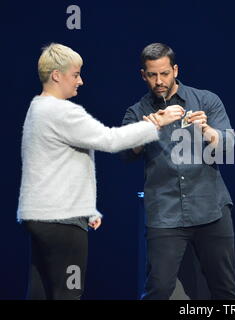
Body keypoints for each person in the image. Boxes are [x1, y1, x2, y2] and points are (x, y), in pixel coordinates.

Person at [17, 43, 183, 300]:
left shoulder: (37, 108)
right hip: (62, 221)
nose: (80, 81)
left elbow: (54, 168)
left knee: (40, 292)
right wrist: (157, 122)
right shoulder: (62, 112)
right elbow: (110, 140)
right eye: (75, 75)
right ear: (56, 75)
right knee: (69, 293)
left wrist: (86, 209)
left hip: (39, 218)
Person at [121, 43, 235, 300]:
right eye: (152, 75)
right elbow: (124, 150)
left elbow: (230, 145)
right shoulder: (138, 112)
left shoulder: (206, 100)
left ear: (175, 70)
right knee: (159, 289)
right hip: (165, 214)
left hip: (211, 208)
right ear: (143, 75)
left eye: (164, 73)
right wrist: (152, 127)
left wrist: (208, 132)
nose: (159, 81)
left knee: (225, 289)